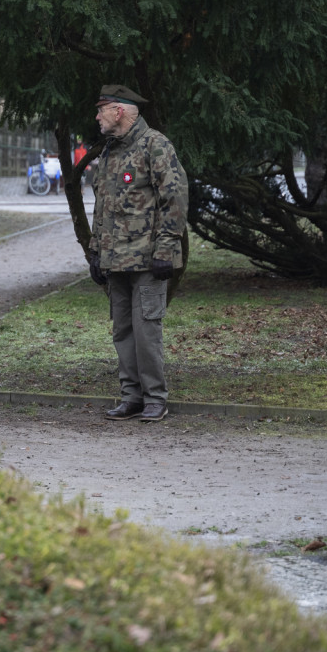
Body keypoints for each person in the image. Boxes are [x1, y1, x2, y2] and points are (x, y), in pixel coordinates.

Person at [88, 84, 188, 423]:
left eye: (101, 109)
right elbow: (102, 207)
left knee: (147, 333)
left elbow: (174, 198)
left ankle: (155, 399)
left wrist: (166, 249)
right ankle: (131, 397)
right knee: (123, 332)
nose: (96, 116)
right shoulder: (110, 151)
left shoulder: (155, 145)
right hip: (116, 260)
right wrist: (94, 252)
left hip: (148, 259)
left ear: (119, 111)